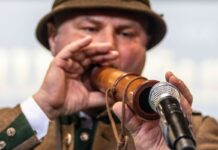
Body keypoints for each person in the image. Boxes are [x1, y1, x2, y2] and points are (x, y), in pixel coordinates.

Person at [0, 0, 218, 149]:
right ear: (53, 36)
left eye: (126, 33)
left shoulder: (192, 133)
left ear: (145, 46)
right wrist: (42, 108)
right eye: (90, 28)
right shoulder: (7, 123)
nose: (109, 46)